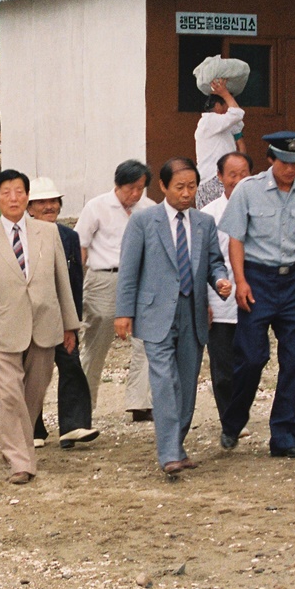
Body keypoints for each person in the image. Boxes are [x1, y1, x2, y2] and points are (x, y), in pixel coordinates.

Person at [218, 133, 295, 459]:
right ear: (271, 159)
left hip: (290, 284)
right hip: (256, 281)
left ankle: (285, 437)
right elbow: (235, 240)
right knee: (252, 357)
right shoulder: (248, 190)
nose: (290, 168)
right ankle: (233, 422)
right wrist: (240, 281)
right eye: (285, 162)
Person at [0, 171, 81, 484]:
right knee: (10, 395)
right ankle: (21, 461)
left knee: (34, 393)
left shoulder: (48, 232)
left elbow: (62, 283)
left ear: (27, 197)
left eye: (19, 191)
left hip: (45, 323)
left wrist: (70, 325)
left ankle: (19, 446)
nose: (14, 198)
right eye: (7, 192)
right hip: (4, 326)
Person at [115, 158, 231, 476]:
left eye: (192, 186)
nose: (186, 193)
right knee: (164, 381)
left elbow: (214, 261)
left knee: (187, 384)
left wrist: (219, 280)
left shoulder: (204, 223)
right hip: (154, 312)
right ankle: (168, 454)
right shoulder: (143, 222)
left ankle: (176, 445)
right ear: (163, 186)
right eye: (179, 187)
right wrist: (123, 312)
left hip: (192, 311)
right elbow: (128, 270)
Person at [74, 159, 154, 422]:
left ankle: (140, 403)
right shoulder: (96, 207)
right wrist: (77, 283)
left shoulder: (149, 209)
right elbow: (81, 247)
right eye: (130, 188)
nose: (135, 194)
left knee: (146, 341)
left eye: (140, 188)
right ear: (117, 185)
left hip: (142, 279)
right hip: (104, 279)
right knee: (96, 343)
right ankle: (83, 405)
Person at [26, 177, 99, 450]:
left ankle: (73, 426)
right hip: (30, 317)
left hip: (62, 316)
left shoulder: (69, 237)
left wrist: (73, 323)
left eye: (53, 201)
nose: (49, 207)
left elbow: (75, 282)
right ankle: (33, 428)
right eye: (42, 202)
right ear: (29, 207)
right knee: (31, 372)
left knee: (71, 366)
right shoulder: (20, 237)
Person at [198, 152, 252, 422]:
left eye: (244, 174)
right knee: (223, 369)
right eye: (233, 174)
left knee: (252, 361)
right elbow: (202, 264)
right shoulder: (207, 216)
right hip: (219, 303)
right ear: (220, 177)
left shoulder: (259, 209)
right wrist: (203, 302)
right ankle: (230, 420)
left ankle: (240, 411)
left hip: (252, 299)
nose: (239, 180)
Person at [193, 79, 247, 209]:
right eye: (226, 105)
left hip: (218, 179)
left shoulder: (220, 126)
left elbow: (238, 124)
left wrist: (226, 94)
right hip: (213, 181)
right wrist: (224, 93)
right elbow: (237, 114)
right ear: (217, 106)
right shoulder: (209, 120)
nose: (228, 108)